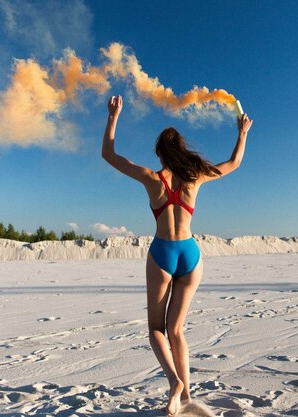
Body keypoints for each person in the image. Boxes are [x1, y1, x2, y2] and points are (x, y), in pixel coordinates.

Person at [101, 95, 253, 416]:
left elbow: (108, 154)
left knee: (156, 328)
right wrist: (242, 133)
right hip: (191, 254)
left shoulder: (150, 177)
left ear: (159, 152)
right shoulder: (196, 175)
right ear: (181, 149)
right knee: (177, 330)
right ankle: (186, 399)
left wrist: (113, 116)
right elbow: (234, 163)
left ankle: (175, 383)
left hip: (163, 253)